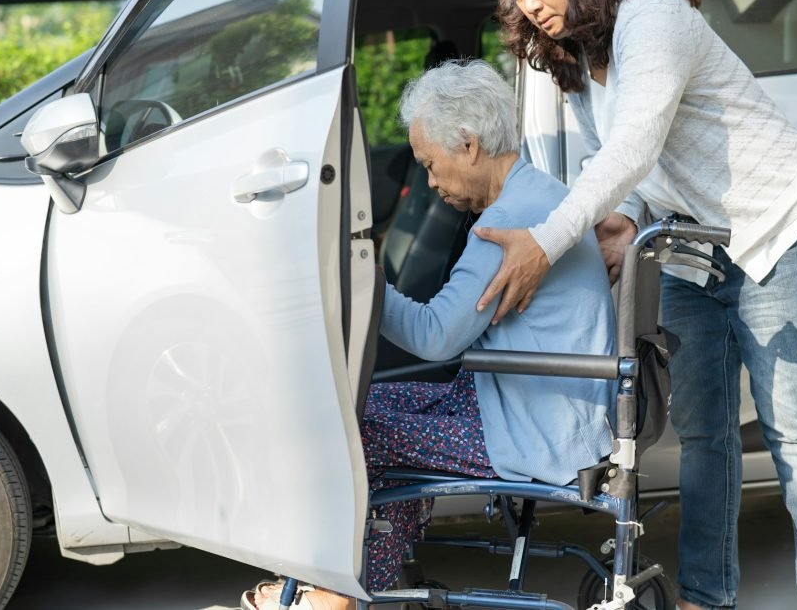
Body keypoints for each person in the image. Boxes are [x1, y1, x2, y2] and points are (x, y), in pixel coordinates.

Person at [482, 0, 797, 609]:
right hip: (693, 243)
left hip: (774, 228)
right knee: (704, 432)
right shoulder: (581, 55)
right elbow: (634, 167)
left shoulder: (650, 19)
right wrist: (626, 221)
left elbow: (632, 147)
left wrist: (546, 241)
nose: (529, 2)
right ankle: (705, 597)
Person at [240, 59, 617, 610]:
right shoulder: (539, 192)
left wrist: (357, 277)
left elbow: (436, 335)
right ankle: (379, 572)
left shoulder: (504, 224)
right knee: (363, 405)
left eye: (431, 164)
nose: (430, 181)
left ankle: (338, 593)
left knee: (350, 429)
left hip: (533, 430)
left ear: (467, 144)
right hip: (536, 407)